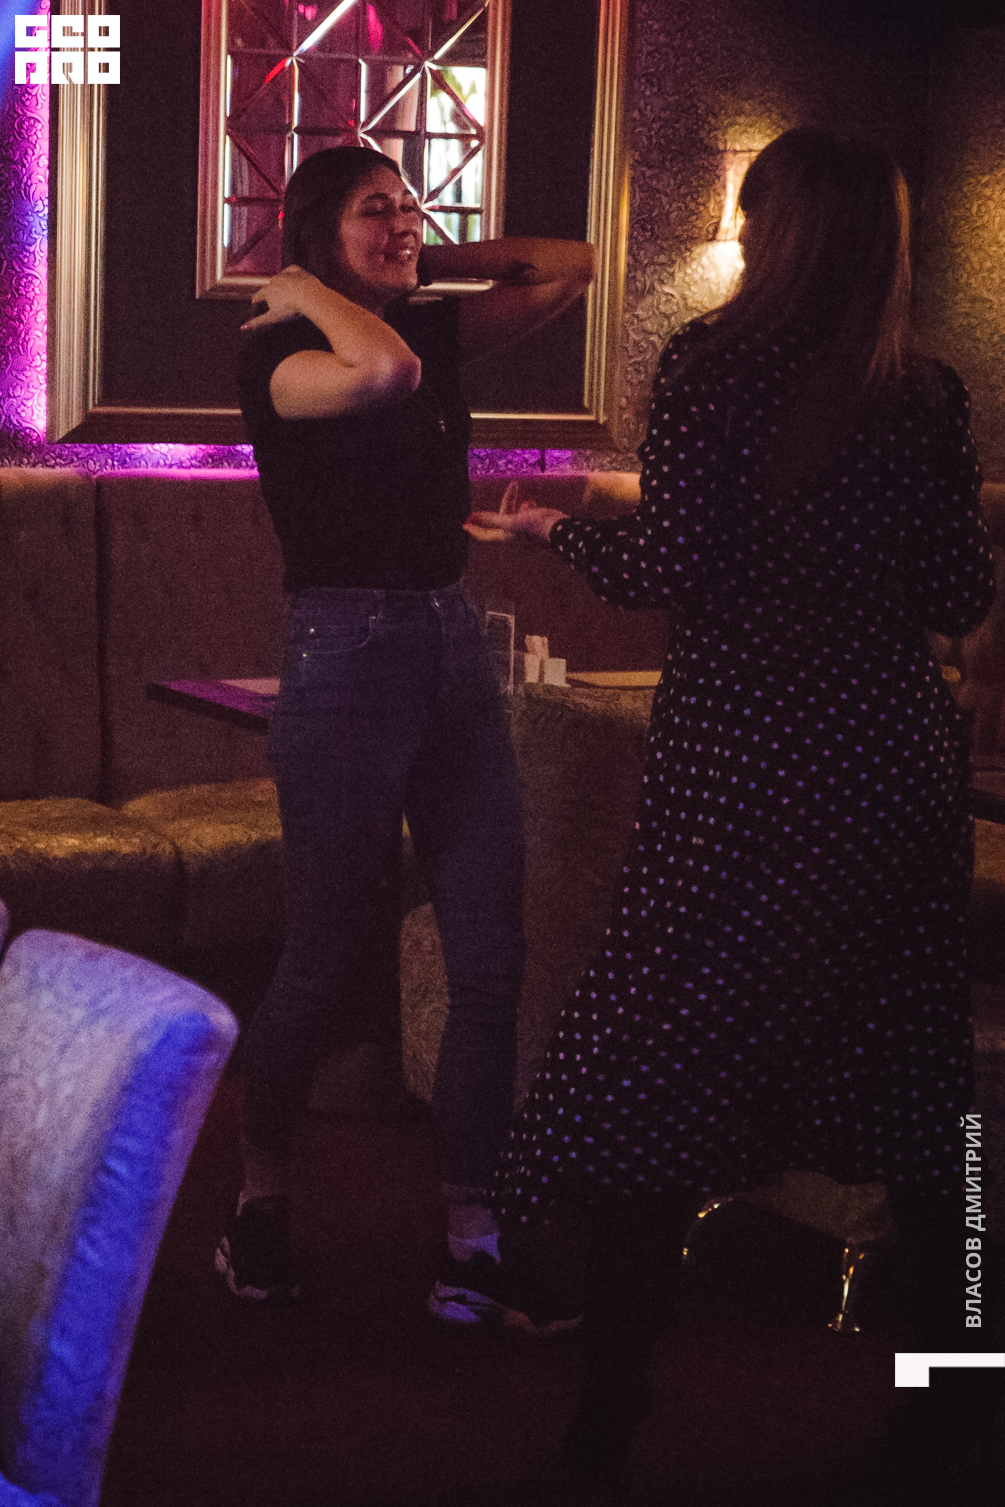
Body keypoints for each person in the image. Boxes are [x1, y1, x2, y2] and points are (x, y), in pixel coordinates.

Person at [470, 128, 999, 1498]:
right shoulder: (926, 390)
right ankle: (950, 1405)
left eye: (757, 220)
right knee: (930, 1111)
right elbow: (958, 592)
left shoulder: (712, 363)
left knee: (656, 1077)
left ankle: (605, 1420)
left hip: (747, 759)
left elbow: (670, 560)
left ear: (781, 232)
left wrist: (557, 532)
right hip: (886, 765)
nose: (748, 240)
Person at [218, 145, 595, 1316]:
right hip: (346, 654)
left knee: (488, 958)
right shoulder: (279, 349)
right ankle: (258, 1203)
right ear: (316, 230)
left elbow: (571, 264)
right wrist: (306, 283)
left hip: (450, 643)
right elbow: (381, 372)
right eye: (374, 210)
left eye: (410, 207)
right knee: (324, 957)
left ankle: (472, 1243)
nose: (402, 224)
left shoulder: (419, 320)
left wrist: (423, 254)